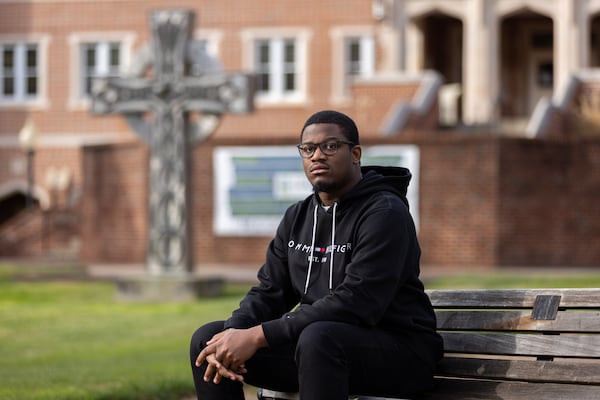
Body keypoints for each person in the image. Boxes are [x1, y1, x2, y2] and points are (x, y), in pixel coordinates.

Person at [190, 110, 443, 400]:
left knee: (319, 339)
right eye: (308, 149)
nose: (317, 156)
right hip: (321, 348)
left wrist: (258, 335)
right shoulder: (298, 216)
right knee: (207, 341)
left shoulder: (384, 213)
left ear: (355, 153)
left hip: (401, 354)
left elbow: (357, 303)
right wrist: (235, 332)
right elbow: (271, 290)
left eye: (331, 146)